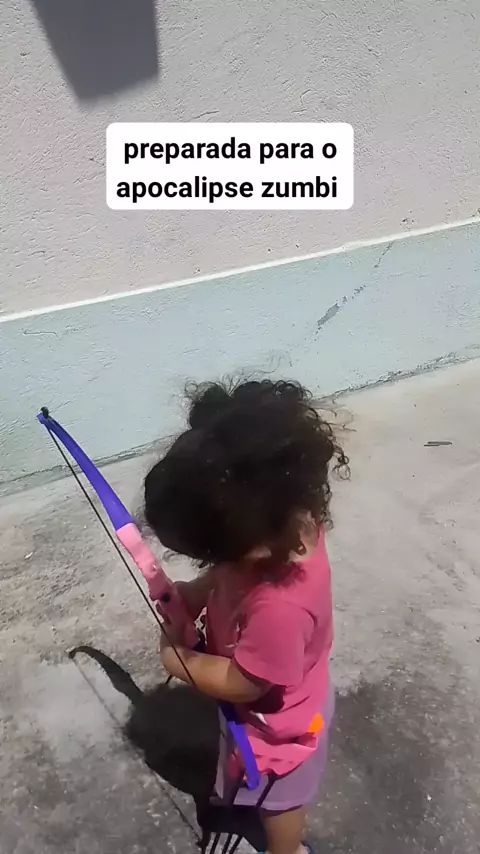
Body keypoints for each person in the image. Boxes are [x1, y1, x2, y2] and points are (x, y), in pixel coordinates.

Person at [143, 379, 349, 854]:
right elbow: (226, 574)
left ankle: (286, 851)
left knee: (280, 800)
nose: (212, 564)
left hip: (282, 727)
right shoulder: (279, 523)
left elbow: (246, 682)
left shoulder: (281, 608)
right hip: (260, 710)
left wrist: (181, 661)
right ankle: (239, 789)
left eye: (211, 554)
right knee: (242, 763)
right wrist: (197, 592)